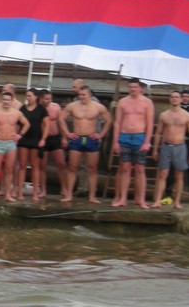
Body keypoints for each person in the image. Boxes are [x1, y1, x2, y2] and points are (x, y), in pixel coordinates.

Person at [57, 85, 112, 204]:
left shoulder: (98, 107)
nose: (81, 97)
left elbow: (108, 120)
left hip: (91, 139)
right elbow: (61, 118)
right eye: (79, 95)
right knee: (72, 167)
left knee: (92, 168)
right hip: (77, 138)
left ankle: (92, 196)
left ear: (90, 95)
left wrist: (101, 134)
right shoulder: (72, 106)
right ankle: (69, 195)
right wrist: (67, 133)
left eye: (83, 95)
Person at [111, 78, 155, 208]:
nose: (133, 89)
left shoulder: (147, 102)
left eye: (135, 87)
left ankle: (141, 200)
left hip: (139, 137)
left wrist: (147, 142)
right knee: (125, 168)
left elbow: (150, 123)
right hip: (125, 136)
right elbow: (117, 122)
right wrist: (115, 142)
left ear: (140, 88)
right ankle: (122, 199)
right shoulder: (123, 102)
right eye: (131, 87)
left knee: (140, 169)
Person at [151, 91, 189, 209]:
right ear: (169, 99)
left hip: (180, 146)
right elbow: (158, 133)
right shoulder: (164, 115)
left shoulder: (186, 115)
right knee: (163, 174)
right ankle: (157, 200)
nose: (174, 99)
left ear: (180, 100)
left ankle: (177, 202)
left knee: (179, 174)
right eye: (172, 97)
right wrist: (155, 149)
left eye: (177, 97)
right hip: (166, 146)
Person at [15, 88, 49, 202]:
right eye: (27, 96)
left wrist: (43, 139)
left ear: (35, 97)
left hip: (36, 139)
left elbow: (47, 124)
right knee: (22, 166)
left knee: (35, 166)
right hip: (24, 140)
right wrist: (16, 135)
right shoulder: (22, 108)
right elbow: (18, 124)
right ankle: (19, 192)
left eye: (30, 96)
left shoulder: (41, 109)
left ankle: (35, 193)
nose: (28, 98)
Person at [38, 89, 68, 200]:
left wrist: (64, 137)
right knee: (42, 165)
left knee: (61, 163)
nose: (48, 101)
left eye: (50, 98)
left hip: (55, 138)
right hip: (43, 139)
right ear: (41, 99)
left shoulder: (55, 107)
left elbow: (61, 122)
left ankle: (64, 188)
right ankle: (43, 190)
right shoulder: (38, 108)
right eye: (46, 99)